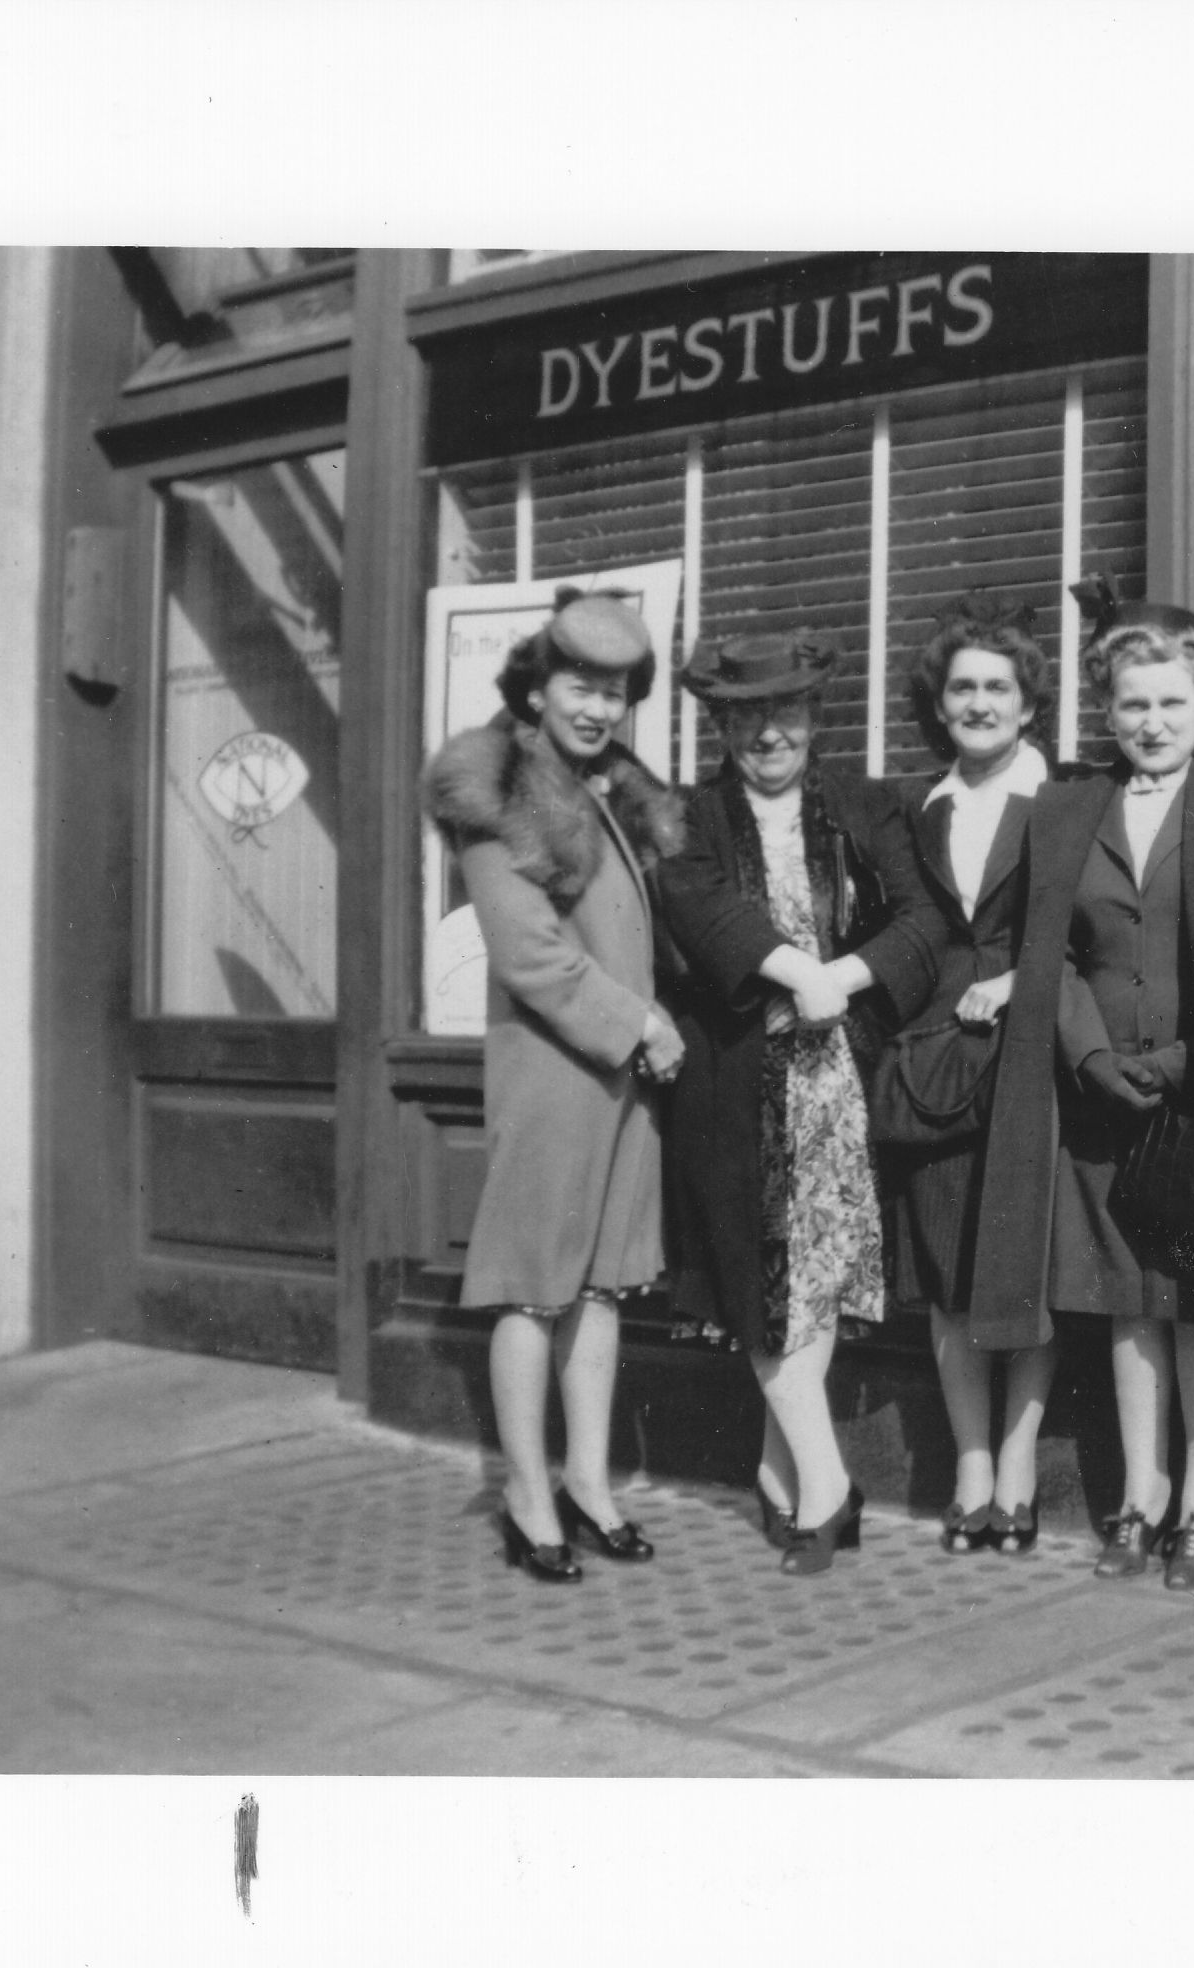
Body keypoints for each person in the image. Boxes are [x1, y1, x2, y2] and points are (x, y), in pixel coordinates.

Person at [969, 586, 1194, 1591]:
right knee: (1124, 1306)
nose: (1150, 725)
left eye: (1170, 705)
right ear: (1103, 712)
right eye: (1130, 707)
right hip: (1102, 1098)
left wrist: (1193, 1064)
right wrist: (1093, 1059)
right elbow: (1047, 949)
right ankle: (1138, 1496)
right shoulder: (1064, 809)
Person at [655, 630, 939, 1576]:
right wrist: (789, 972)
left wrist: (845, 978)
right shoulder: (690, 816)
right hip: (737, 1081)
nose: (767, 732)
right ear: (720, 724)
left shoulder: (865, 804)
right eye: (744, 715)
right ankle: (828, 1486)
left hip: (841, 1081)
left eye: (783, 711)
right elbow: (695, 906)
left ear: (815, 715)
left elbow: (923, 921)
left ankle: (783, 1475)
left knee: (812, 1280)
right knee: (763, 1279)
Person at [422, 591, 686, 1584]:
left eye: (614, 694)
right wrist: (640, 1027)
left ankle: (587, 1482)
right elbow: (531, 957)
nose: (597, 710)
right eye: (579, 687)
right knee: (533, 1292)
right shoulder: (498, 793)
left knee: (602, 1285)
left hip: (620, 1079)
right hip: (557, 1074)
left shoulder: (605, 791)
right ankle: (527, 1499)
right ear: (535, 686)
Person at [877, 600, 1060, 1554]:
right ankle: (972, 1465)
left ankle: (1021, 1466)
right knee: (949, 1271)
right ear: (939, 706)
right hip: (939, 1062)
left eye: (999, 687)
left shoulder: (1069, 799)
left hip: (1033, 1059)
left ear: (1029, 705)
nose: (980, 703)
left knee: (1021, 1267)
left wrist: (1024, 979)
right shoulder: (922, 808)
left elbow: (1099, 931)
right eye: (963, 689)